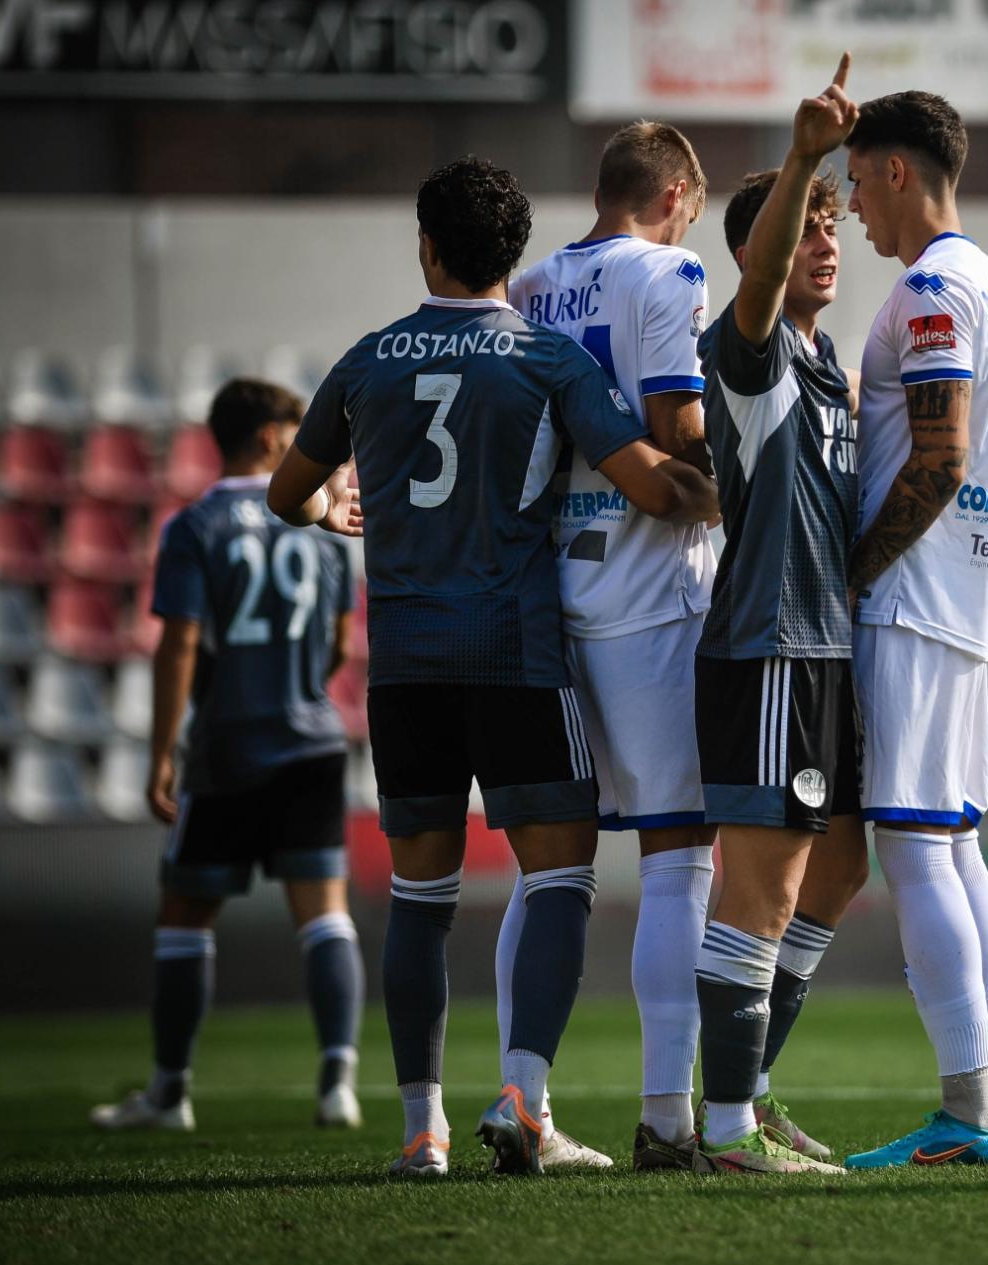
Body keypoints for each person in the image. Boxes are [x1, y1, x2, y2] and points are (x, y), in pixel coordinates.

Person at [267, 156, 718, 1178]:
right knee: (557, 873)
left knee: (419, 903)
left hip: (407, 669)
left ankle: (421, 1128)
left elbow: (282, 494)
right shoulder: (543, 357)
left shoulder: (367, 359)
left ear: (425, 243)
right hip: (516, 653)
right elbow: (652, 485)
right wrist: (735, 499)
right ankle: (523, 1092)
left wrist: (330, 506)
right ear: (511, 256)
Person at [503, 121, 721, 1172]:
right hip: (647, 589)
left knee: (550, 869)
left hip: (551, 592)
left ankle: (520, 1096)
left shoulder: (533, 281)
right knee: (681, 853)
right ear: (676, 192)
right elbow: (680, 432)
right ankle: (668, 1113)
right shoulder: (671, 270)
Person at [840, 89, 988, 1168]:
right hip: (971, 592)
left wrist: (854, 572)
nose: (855, 205)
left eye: (859, 180)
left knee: (916, 847)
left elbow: (939, 455)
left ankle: (969, 1113)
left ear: (900, 172)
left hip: (914, 597)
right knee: (955, 848)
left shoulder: (929, 289)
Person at [90, 378, 364, 1135]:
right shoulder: (323, 522)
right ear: (272, 438)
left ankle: (170, 1091)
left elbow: (178, 640)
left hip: (227, 744)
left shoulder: (195, 526)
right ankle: (338, 1080)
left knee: (184, 915)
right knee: (325, 916)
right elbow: (342, 642)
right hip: (311, 741)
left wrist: (159, 756)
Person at [689, 55, 860, 1177]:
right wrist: (800, 155)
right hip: (769, 647)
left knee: (838, 867)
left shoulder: (828, 357)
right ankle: (721, 1130)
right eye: (808, 228)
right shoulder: (751, 357)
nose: (828, 244)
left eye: (834, 226)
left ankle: (742, 1098)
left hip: (830, 651)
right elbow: (754, 294)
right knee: (763, 886)